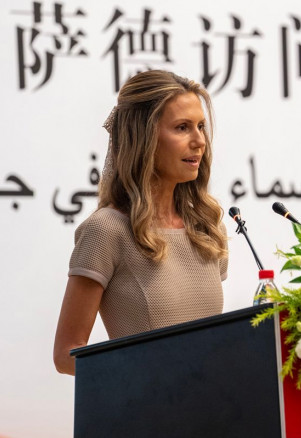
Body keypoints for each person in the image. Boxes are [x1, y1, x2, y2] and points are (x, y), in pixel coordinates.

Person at [53, 70, 228, 376]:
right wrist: (145, 375)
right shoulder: (106, 230)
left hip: (214, 415)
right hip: (144, 416)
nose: (199, 141)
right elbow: (66, 355)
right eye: (182, 128)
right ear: (143, 138)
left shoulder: (208, 229)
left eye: (201, 126)